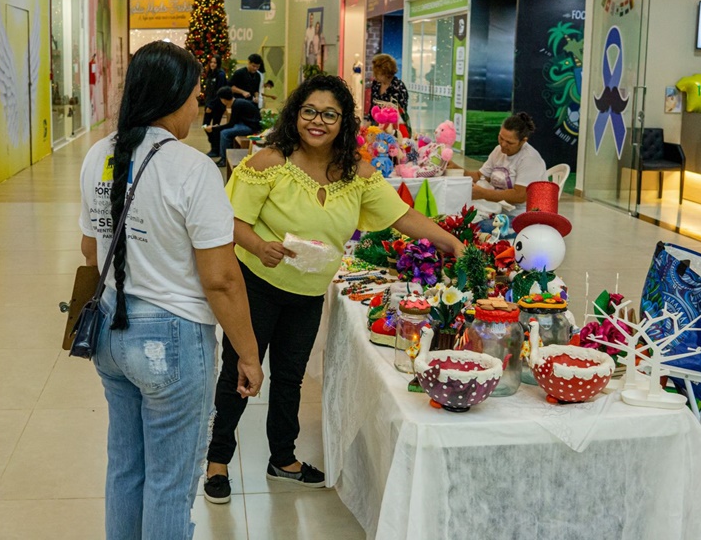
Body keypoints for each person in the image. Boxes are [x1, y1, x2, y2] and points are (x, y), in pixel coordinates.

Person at [202, 74, 464, 504]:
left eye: (329, 114)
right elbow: (228, 220)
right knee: (239, 373)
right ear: (295, 114)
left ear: (344, 122)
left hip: (307, 294)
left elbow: (402, 216)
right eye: (309, 111)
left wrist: (450, 241)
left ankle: (282, 458)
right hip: (257, 286)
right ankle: (216, 463)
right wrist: (259, 245)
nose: (317, 121)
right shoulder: (270, 162)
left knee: (289, 378)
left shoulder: (357, 175)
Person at [78, 41, 263, 539]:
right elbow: (221, 279)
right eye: (197, 96)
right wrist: (248, 354)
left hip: (110, 334)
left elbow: (89, 249)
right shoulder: (193, 169)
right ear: (174, 97)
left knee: (125, 468)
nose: (200, 105)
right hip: (171, 342)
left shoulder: (99, 153)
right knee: (170, 482)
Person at [468, 112, 547, 214]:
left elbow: (519, 196)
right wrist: (455, 169)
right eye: (501, 138)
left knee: (471, 226)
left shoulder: (530, 159)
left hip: (520, 214)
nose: (503, 144)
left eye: (509, 142)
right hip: (498, 209)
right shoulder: (498, 150)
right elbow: (480, 176)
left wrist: (484, 194)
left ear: (523, 141)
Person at [206, 86, 262, 168]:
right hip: (247, 124)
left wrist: (214, 128)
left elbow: (231, 124)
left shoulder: (236, 105)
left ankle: (224, 159)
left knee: (224, 133)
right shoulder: (237, 102)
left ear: (223, 99)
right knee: (225, 131)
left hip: (250, 127)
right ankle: (225, 155)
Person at [369, 53, 409, 120]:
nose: (374, 76)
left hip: (394, 126)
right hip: (376, 126)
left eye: (377, 74)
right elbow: (372, 108)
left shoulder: (399, 87)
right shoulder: (376, 84)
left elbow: (401, 114)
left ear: (386, 72)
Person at [202, 54, 227, 157]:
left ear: (218, 64)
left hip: (217, 106)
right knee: (205, 126)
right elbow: (209, 91)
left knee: (214, 126)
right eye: (211, 62)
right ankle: (215, 145)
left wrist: (211, 106)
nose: (212, 64)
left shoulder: (220, 75)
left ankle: (215, 149)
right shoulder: (210, 74)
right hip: (209, 104)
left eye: (215, 62)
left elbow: (219, 93)